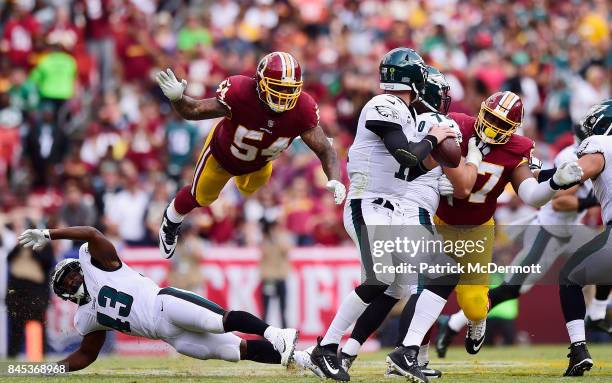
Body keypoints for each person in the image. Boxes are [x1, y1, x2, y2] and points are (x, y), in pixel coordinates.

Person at [387, 91, 584, 382]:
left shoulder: (518, 148)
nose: (490, 128)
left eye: (499, 124)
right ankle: (417, 356)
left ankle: (476, 322)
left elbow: (530, 194)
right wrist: (433, 180)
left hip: (478, 231)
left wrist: (554, 182)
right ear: (480, 112)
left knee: (475, 305)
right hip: (440, 222)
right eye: (489, 118)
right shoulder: (457, 125)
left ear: (513, 129)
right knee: (424, 293)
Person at [308, 49, 480, 381]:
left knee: (406, 282)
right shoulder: (383, 105)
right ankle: (327, 349)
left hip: (390, 206)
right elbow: (403, 152)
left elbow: (409, 167)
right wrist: (433, 138)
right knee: (381, 278)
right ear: (414, 81)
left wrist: (436, 175)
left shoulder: (403, 112)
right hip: (367, 202)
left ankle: (382, 351)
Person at [17, 226, 301, 371]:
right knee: (235, 351)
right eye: (66, 283)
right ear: (65, 293)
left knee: (219, 321)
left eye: (71, 275)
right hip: (170, 336)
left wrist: (48, 233)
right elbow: (86, 354)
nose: (73, 280)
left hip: (165, 305)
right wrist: (51, 368)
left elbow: (91, 233)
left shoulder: (96, 263)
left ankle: (276, 333)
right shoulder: (85, 317)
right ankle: (303, 360)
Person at [155, 51, 345, 258]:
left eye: (289, 90)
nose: (283, 96)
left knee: (251, 192)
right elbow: (195, 110)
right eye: (278, 88)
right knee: (200, 196)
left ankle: (277, 135)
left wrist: (335, 178)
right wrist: (178, 99)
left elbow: (325, 148)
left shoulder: (303, 108)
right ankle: (171, 220)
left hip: (260, 163)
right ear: (260, 83)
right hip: (222, 155)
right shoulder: (239, 92)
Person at [436, 121, 600, 357]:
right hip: (549, 230)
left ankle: (597, 316)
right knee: (512, 288)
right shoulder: (573, 155)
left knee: (604, 258)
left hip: (572, 230)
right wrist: (592, 202)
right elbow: (560, 201)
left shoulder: (600, 153)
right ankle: (453, 323)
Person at [556, 99, 612, 376]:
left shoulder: (601, 144)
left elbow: (579, 172)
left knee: (569, 277)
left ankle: (579, 349)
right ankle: (599, 312)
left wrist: (542, 176)